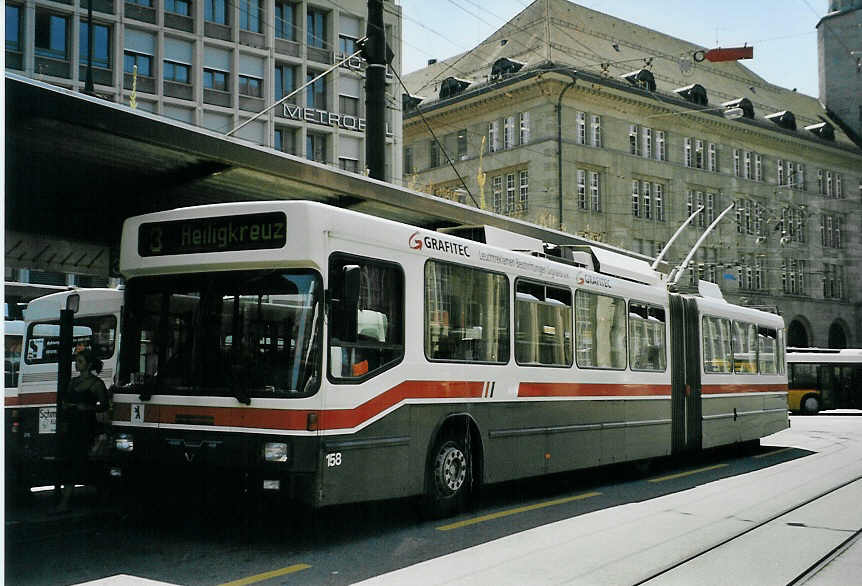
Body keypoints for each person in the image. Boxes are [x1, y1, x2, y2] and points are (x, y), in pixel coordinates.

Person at [56, 349, 109, 512]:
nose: (76, 364)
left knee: (76, 460)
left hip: (85, 425)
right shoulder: (74, 382)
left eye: (80, 361)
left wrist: (89, 407)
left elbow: (105, 406)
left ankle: (65, 502)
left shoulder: (97, 384)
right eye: (76, 361)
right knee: (71, 461)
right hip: (72, 424)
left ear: (89, 364)